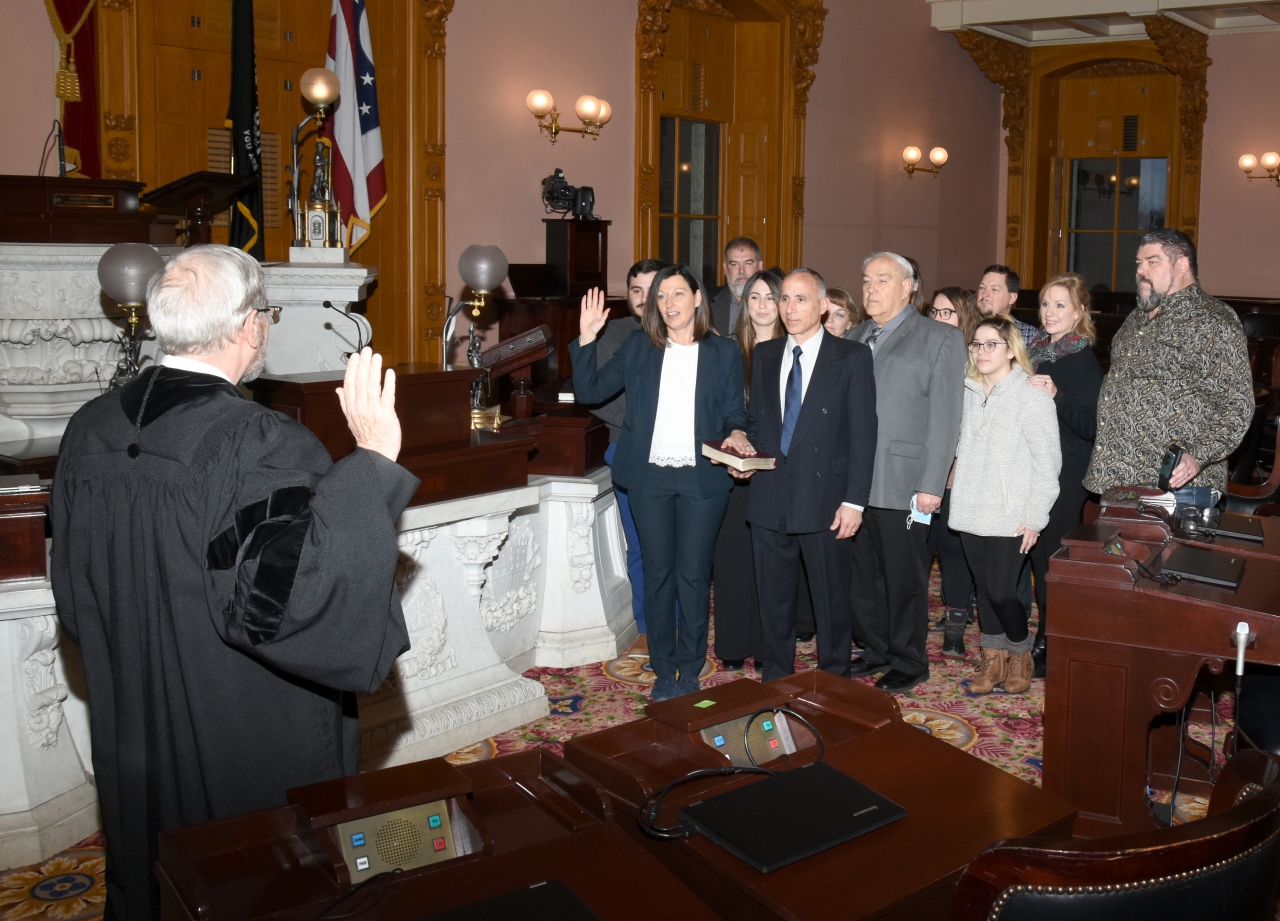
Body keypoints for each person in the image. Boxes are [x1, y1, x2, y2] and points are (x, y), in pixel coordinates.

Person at [50, 245, 417, 921]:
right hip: (240, 727)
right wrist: (373, 462)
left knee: (159, 872)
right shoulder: (260, 443)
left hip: (136, 716)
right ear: (251, 326)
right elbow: (298, 603)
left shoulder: (87, 431)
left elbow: (75, 604)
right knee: (251, 881)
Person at [571, 265, 746, 701]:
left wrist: (738, 433)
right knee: (657, 573)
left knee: (692, 574)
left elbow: (733, 413)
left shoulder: (722, 351)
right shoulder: (638, 346)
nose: (669, 304)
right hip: (648, 478)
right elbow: (589, 391)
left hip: (702, 480)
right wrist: (587, 336)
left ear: (697, 298)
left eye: (677, 295)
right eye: (661, 297)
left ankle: (690, 665)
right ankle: (664, 669)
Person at [721, 268, 877, 681]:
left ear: (823, 306)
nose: (789, 308)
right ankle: (775, 680)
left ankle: (833, 683)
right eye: (784, 299)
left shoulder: (852, 357)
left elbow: (864, 435)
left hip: (827, 503)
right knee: (772, 604)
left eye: (801, 299)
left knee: (830, 606)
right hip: (770, 499)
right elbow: (760, 426)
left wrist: (854, 501)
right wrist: (744, 457)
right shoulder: (767, 354)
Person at [847, 253, 966, 693]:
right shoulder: (856, 336)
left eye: (882, 279)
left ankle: (909, 659)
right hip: (857, 482)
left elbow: (946, 416)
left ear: (909, 286)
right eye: (866, 280)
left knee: (905, 578)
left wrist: (931, 484)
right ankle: (876, 650)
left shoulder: (940, 338)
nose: (871, 289)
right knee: (864, 576)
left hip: (907, 481)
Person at [1085, 229, 1253, 506]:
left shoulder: (1213, 320)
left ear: (1182, 265)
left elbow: (1236, 404)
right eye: (1139, 263)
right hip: (1120, 476)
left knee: (1171, 552)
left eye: (1152, 262)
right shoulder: (1137, 317)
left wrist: (1199, 454)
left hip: (1178, 485)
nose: (1141, 270)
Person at [949, 314, 1061, 694]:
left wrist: (1034, 519)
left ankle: (1020, 653)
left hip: (1011, 514)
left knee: (1001, 591)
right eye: (976, 344)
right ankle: (993, 661)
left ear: (1011, 350)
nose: (981, 351)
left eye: (990, 344)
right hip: (969, 507)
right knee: (983, 588)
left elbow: (1049, 466)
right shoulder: (966, 392)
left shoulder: (1032, 398)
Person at [1025, 274, 1103, 678]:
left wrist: (1057, 396)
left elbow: (1091, 425)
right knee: (1033, 557)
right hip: (1032, 467)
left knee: (1050, 561)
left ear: (1079, 313)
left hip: (1065, 473)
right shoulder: (1036, 350)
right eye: (1045, 304)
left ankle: (1052, 641)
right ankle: (1037, 635)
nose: (1050, 312)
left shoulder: (1081, 358)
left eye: (1060, 305)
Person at [587, 258, 667, 642]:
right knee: (642, 547)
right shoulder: (613, 334)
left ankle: (681, 623)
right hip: (628, 448)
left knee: (678, 549)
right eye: (637, 290)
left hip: (679, 454)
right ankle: (650, 628)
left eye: (653, 289)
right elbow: (599, 399)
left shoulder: (685, 332)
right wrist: (648, 425)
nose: (645, 298)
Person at [714, 269, 784, 669]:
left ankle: (767, 643)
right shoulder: (726, 349)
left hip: (776, 471)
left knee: (772, 561)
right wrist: (732, 437)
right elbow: (717, 407)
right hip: (731, 470)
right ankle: (734, 645)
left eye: (770, 298)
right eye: (754, 297)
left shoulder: (795, 351)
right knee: (733, 558)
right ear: (743, 304)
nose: (761, 306)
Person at [923, 286, 982, 658]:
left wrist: (957, 465)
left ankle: (956, 627)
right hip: (924, 466)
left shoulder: (975, 363)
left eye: (948, 313)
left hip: (961, 469)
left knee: (953, 550)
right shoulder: (926, 352)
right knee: (924, 548)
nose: (939, 319)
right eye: (935, 312)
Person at [709, 236, 761, 335]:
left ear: (760, 266)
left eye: (748, 263)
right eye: (734, 264)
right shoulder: (707, 307)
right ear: (725, 268)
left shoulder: (775, 305)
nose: (741, 271)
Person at [978, 264, 1038, 346]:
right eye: (982, 287)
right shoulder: (965, 329)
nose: (985, 294)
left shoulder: (1029, 336)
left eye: (994, 289)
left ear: (1012, 298)